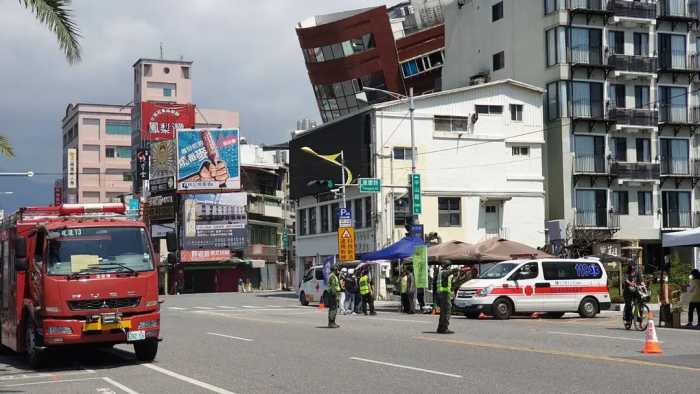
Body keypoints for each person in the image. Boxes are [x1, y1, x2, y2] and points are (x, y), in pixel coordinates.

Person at [436, 263, 455, 334]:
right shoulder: (444, 272)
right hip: (444, 294)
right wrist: (455, 270)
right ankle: (444, 328)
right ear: (448, 266)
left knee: (443, 312)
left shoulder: (440, 273)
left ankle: (440, 328)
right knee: (447, 311)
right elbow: (448, 273)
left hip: (441, 294)